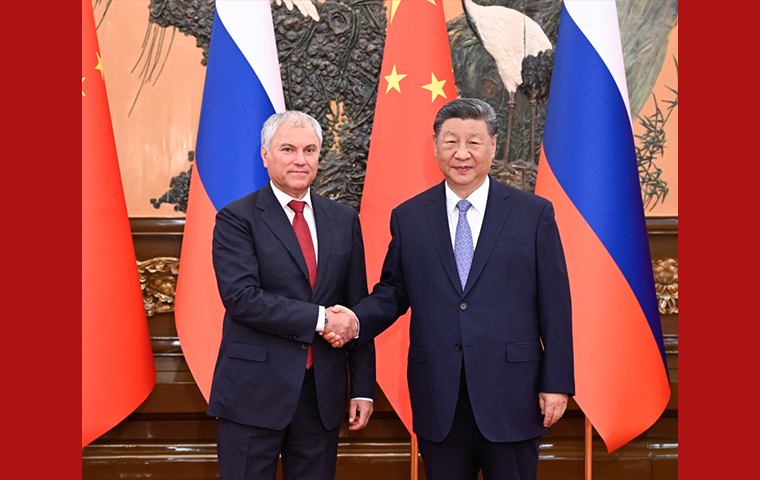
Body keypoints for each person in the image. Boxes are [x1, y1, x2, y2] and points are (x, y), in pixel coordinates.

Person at [327, 98, 574, 480]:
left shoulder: (533, 214)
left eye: (474, 142)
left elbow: (555, 305)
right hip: (439, 395)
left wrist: (556, 383)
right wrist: (356, 319)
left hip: (512, 393)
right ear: (435, 146)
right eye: (451, 142)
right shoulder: (410, 217)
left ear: (493, 145)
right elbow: (394, 291)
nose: (462, 153)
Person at [207, 110, 376, 480]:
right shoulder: (236, 219)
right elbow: (242, 299)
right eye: (288, 149)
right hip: (253, 393)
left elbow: (356, 306)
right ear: (265, 155)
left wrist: (363, 388)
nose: (301, 160)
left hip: (322, 394)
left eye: (309, 150)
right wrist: (322, 319)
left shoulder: (344, 219)